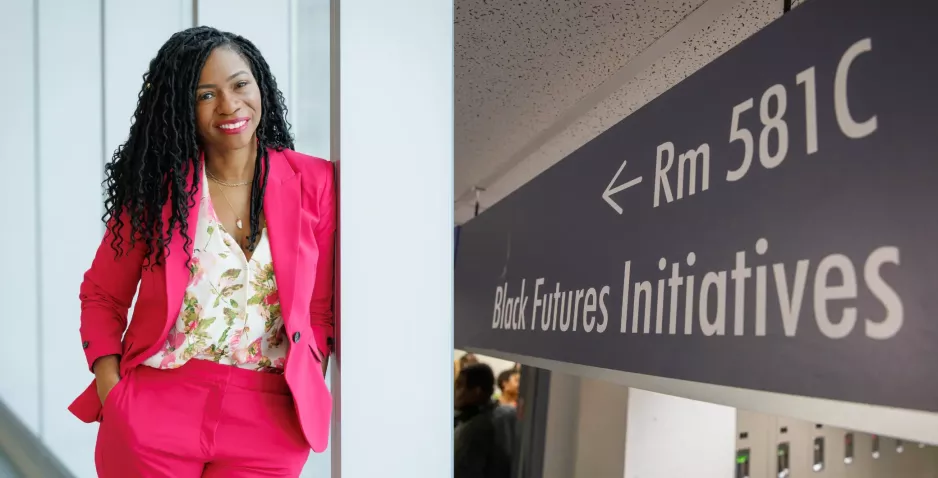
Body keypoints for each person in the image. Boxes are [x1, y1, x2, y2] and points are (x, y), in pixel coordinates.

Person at [66, 26, 336, 477]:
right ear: (181, 109)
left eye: (239, 84)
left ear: (261, 84)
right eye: (206, 95)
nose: (229, 106)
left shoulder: (315, 184)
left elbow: (321, 308)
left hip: (270, 419)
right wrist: (114, 392)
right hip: (157, 406)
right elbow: (102, 295)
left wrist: (310, 375)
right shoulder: (158, 190)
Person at [454, 363, 517, 478]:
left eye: (459, 386)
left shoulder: (477, 428)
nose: (454, 392)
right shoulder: (504, 414)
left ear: (476, 391)